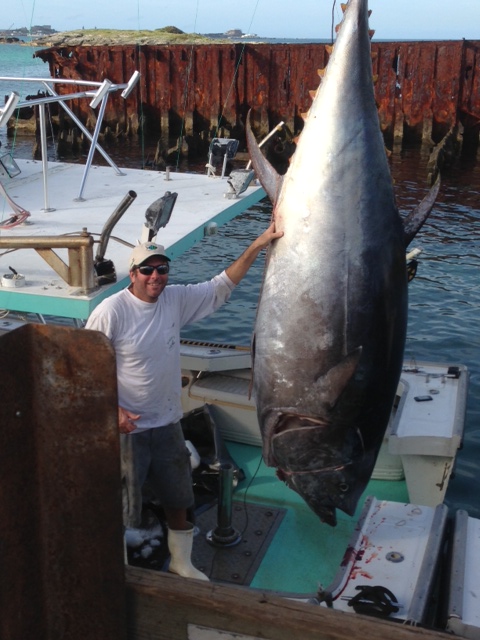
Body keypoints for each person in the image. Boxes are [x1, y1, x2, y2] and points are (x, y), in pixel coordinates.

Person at [85, 222, 282, 580]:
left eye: (162, 269)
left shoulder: (174, 300)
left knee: (180, 498)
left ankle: (181, 562)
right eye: (147, 269)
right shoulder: (111, 311)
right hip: (127, 430)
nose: (155, 276)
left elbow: (221, 286)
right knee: (122, 505)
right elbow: (84, 368)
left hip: (168, 423)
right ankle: (114, 569)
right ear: (133, 273)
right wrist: (112, 410)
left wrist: (258, 243)